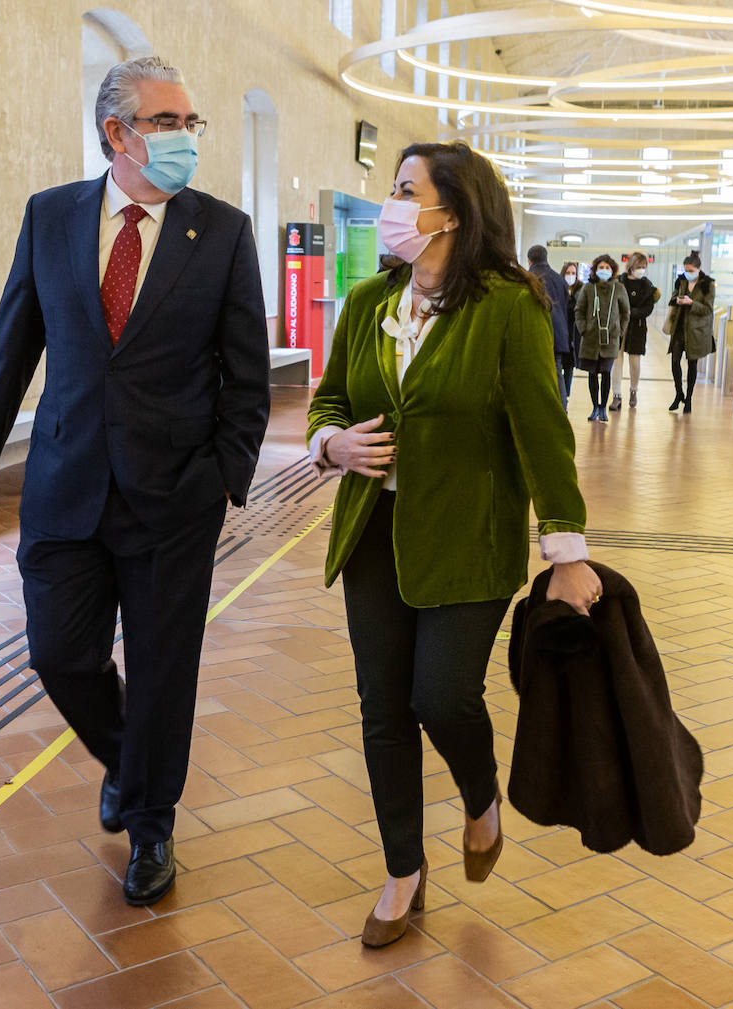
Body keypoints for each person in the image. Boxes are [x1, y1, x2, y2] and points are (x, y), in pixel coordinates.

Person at [0, 56, 271, 906]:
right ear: (116, 133)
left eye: (190, 123)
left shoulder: (224, 231)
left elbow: (247, 377)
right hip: (65, 482)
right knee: (58, 651)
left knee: (165, 667)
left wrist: (224, 477)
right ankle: (129, 763)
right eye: (168, 123)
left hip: (175, 497)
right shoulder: (51, 216)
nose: (185, 139)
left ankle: (151, 825)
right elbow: (13, 341)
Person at [306, 141, 600, 949]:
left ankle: (480, 799)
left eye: (406, 190)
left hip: (470, 538)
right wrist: (330, 445)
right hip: (373, 535)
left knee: (440, 696)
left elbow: (544, 431)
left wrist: (567, 549)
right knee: (382, 711)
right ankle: (404, 869)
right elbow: (327, 401)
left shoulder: (510, 304)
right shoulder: (370, 301)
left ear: (455, 213)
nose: (392, 205)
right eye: (392, 188)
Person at [575, 254, 630, 423]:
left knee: (606, 372)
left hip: (610, 338)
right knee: (592, 374)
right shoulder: (588, 288)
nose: (604, 270)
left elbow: (625, 312)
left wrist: (619, 331)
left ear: (612, 270)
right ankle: (594, 407)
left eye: (607, 267)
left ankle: (603, 408)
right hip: (591, 338)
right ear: (595, 270)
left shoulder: (619, 288)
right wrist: (583, 329)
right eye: (601, 267)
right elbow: (579, 310)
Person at [664, 252, 714, 414]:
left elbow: (708, 309)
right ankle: (679, 393)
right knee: (674, 361)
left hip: (696, 331)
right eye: (686, 270)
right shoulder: (681, 281)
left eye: (691, 270)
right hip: (679, 327)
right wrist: (677, 299)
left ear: (699, 269)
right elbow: (672, 298)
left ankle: (689, 400)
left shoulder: (708, 285)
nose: (688, 273)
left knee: (692, 364)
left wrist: (692, 303)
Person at [527, 245, 572, 410]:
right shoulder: (560, 279)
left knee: (531, 371)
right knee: (556, 369)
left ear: (529, 260)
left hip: (536, 332)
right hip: (558, 333)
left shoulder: (527, 278)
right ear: (546, 258)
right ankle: (562, 408)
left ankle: (536, 409)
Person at [614, 252, 660, 409]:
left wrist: (632, 312)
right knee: (616, 359)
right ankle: (616, 394)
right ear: (631, 266)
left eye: (644, 267)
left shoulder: (647, 286)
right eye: (639, 267)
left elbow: (648, 308)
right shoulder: (620, 281)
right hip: (619, 325)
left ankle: (634, 390)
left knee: (635, 361)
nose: (641, 270)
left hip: (638, 326)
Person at [560, 261, 583, 396]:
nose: (570, 276)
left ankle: (565, 396)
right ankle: (559, 395)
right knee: (557, 367)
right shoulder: (559, 288)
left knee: (569, 368)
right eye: (568, 273)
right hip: (559, 333)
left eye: (573, 273)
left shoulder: (580, 291)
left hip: (572, 335)